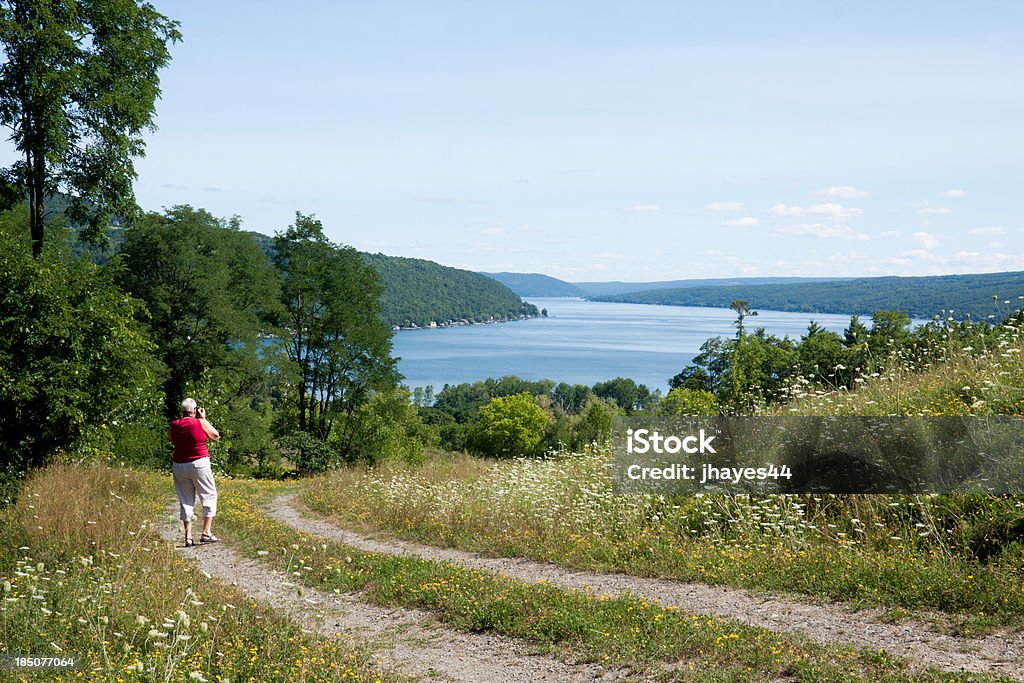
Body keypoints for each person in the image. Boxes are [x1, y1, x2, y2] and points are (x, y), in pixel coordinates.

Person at [168, 397, 221, 547]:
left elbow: (171, 439)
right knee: (209, 495)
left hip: (179, 464)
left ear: (182, 411)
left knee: (185, 500)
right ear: (195, 410)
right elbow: (215, 436)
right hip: (199, 462)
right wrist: (204, 419)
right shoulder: (199, 422)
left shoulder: (174, 425)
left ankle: (188, 537)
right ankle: (206, 532)